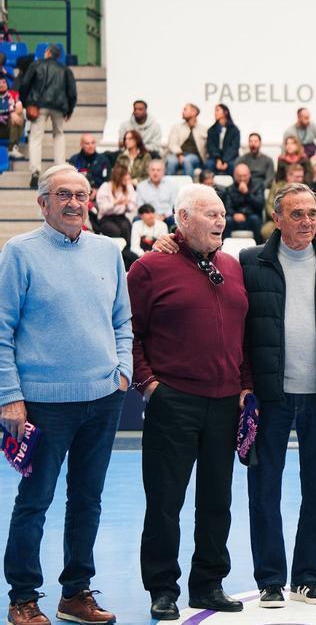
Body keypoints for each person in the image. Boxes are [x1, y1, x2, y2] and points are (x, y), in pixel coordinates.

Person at [0, 165, 130, 625]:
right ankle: (23, 597)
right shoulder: (19, 253)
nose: (74, 203)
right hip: (42, 405)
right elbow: (2, 331)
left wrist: (123, 373)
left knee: (87, 499)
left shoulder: (107, 250)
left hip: (103, 398)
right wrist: (10, 396)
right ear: (43, 203)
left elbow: (122, 321)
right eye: (63, 195)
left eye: (81, 194)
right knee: (34, 501)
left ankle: (75, 593)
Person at [130, 184, 253, 620]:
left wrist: (245, 384)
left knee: (217, 500)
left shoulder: (233, 267)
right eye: (210, 214)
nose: (221, 221)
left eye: (223, 214)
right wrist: (148, 384)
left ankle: (208, 584)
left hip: (225, 403)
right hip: (174, 401)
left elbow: (245, 334)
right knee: (165, 500)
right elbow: (129, 331)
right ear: (182, 219)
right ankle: (162, 588)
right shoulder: (149, 268)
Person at [241, 182, 316, 608]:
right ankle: (270, 579)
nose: (307, 221)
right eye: (297, 214)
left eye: (311, 213)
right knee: (264, 488)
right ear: (278, 218)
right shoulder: (250, 262)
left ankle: (307, 577)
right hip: (271, 395)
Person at [20, 44, 76, 188]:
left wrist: (26, 103)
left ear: (48, 52)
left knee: (36, 136)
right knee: (59, 134)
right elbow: (72, 92)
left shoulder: (36, 65)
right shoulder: (65, 70)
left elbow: (25, 84)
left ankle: (35, 171)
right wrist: (69, 109)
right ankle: (60, 168)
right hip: (59, 106)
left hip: (38, 105)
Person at [95, 163, 137, 247]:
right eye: (126, 175)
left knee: (126, 228)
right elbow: (102, 209)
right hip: (106, 218)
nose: (128, 177)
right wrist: (115, 203)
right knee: (115, 231)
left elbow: (131, 207)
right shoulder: (106, 187)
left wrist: (126, 204)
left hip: (120, 217)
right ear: (119, 176)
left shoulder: (128, 186)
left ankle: (127, 256)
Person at [263, 163, 309, 239]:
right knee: (266, 230)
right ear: (289, 176)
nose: (300, 180)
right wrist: (279, 218)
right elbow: (269, 205)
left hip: (300, 220)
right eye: (297, 177)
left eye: (301, 177)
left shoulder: (305, 190)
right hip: (278, 219)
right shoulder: (277, 187)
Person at [223, 163, 265, 244]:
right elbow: (227, 207)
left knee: (255, 219)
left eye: (244, 176)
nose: (242, 179)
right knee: (227, 220)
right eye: (239, 176)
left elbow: (260, 205)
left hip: (251, 217)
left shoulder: (258, 185)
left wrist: (247, 193)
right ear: (235, 176)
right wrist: (234, 214)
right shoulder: (230, 189)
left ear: (249, 175)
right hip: (235, 218)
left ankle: (259, 248)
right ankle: (224, 247)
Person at [165, 102, 206, 177]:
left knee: (187, 160)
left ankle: (189, 187)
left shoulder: (203, 129)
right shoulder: (177, 127)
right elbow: (172, 144)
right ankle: (168, 187)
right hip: (178, 155)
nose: (182, 112)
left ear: (194, 112)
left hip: (194, 157)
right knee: (171, 161)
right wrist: (180, 154)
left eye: (185, 110)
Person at [136, 159, 177, 225]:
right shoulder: (141, 186)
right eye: (153, 170)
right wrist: (152, 216)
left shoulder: (171, 185)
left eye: (158, 170)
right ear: (148, 171)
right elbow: (140, 207)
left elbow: (174, 206)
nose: (155, 173)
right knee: (136, 219)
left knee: (174, 219)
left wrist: (164, 215)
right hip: (148, 216)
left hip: (167, 217)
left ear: (163, 172)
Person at [204, 103, 239, 176]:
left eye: (217, 110)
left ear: (225, 112)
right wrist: (218, 159)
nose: (215, 113)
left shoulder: (234, 130)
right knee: (209, 164)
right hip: (215, 158)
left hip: (230, 158)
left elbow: (234, 148)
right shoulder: (211, 130)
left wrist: (225, 161)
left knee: (233, 165)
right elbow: (211, 146)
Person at [0, 77, 24, 159]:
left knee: (19, 114)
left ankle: (12, 148)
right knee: (13, 115)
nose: (1, 85)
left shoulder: (13, 94)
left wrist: (14, 113)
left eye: (3, 82)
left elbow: (19, 107)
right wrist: (11, 113)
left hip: (8, 127)